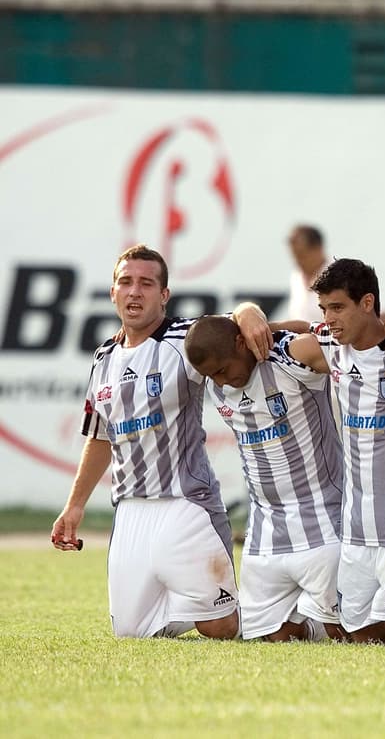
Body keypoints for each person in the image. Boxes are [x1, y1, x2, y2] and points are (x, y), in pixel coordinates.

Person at [51, 244, 240, 640]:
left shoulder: (185, 340)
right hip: (131, 510)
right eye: (126, 282)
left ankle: (268, 616)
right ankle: (186, 596)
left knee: (220, 627)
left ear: (164, 295)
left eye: (146, 284)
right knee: (132, 635)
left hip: (185, 503)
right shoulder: (104, 358)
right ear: (112, 292)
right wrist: (74, 505)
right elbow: (101, 436)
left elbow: (236, 327)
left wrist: (250, 312)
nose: (134, 291)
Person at [185, 315, 345, 642]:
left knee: (349, 633)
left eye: (223, 370)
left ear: (242, 343)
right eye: (212, 376)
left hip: (325, 526)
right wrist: (242, 313)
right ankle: (306, 622)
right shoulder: (218, 384)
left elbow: (333, 334)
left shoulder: (291, 358)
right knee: (270, 639)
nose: (222, 381)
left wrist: (259, 323)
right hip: (265, 536)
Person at [305, 258, 385, 643]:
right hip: (354, 533)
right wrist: (250, 315)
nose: (329, 319)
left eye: (337, 307)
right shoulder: (331, 347)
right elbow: (287, 336)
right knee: (358, 637)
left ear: (368, 302)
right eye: (324, 310)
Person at [287, 224, 328, 322]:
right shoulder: (296, 276)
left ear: (318, 248)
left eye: (301, 255)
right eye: (294, 255)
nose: (297, 261)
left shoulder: (340, 278)